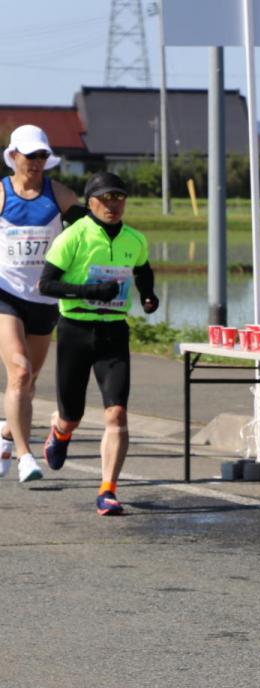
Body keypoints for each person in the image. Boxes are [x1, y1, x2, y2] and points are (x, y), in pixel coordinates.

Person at [37, 172, 158, 515]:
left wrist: (149, 295)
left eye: (118, 197)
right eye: (105, 198)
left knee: (117, 413)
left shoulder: (135, 238)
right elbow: (46, 285)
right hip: (75, 329)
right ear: (90, 202)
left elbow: (142, 270)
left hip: (113, 333)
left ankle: (107, 489)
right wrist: (90, 292)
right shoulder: (73, 237)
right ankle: (60, 434)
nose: (113, 204)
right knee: (71, 415)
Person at [0, 125, 80, 484]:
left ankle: (4, 438)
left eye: (42, 156)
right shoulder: (1, 194)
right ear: (13, 155)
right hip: (5, 294)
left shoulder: (60, 195)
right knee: (17, 371)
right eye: (29, 155)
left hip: (45, 298)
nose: (36, 162)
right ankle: (24, 456)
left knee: (28, 382)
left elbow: (88, 231)